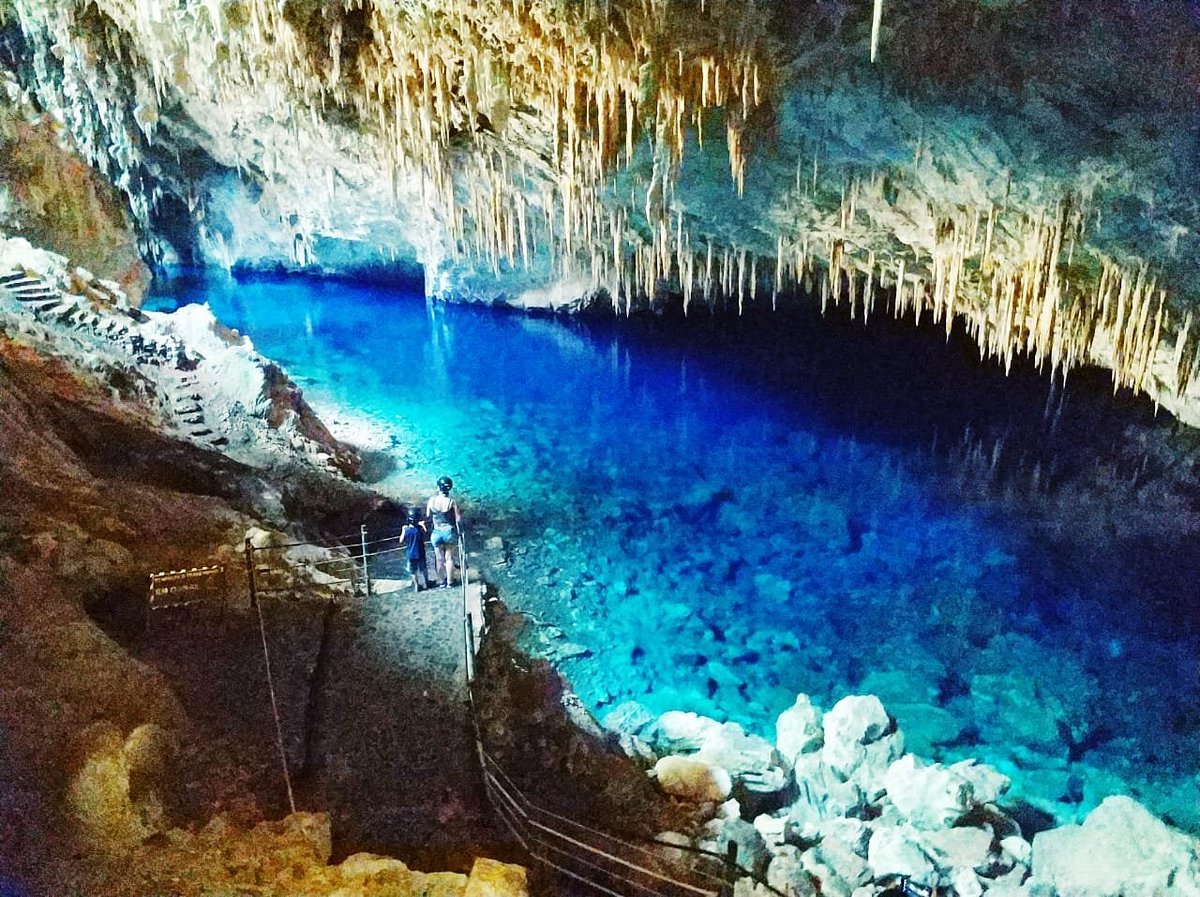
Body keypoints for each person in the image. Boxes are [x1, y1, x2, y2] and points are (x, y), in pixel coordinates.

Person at [426, 475, 462, 589]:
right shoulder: (451, 502)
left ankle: (441, 582)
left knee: (439, 559)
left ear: (438, 488)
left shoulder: (432, 500)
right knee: (449, 558)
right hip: (449, 532)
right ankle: (450, 583)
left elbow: (428, 515)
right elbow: (458, 519)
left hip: (436, 532)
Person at [399, 507, 428, 592]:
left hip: (410, 554)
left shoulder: (406, 530)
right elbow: (426, 535)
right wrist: (423, 525)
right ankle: (426, 583)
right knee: (423, 569)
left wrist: (403, 531)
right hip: (420, 553)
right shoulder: (419, 529)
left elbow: (400, 541)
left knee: (413, 571)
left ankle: (417, 585)